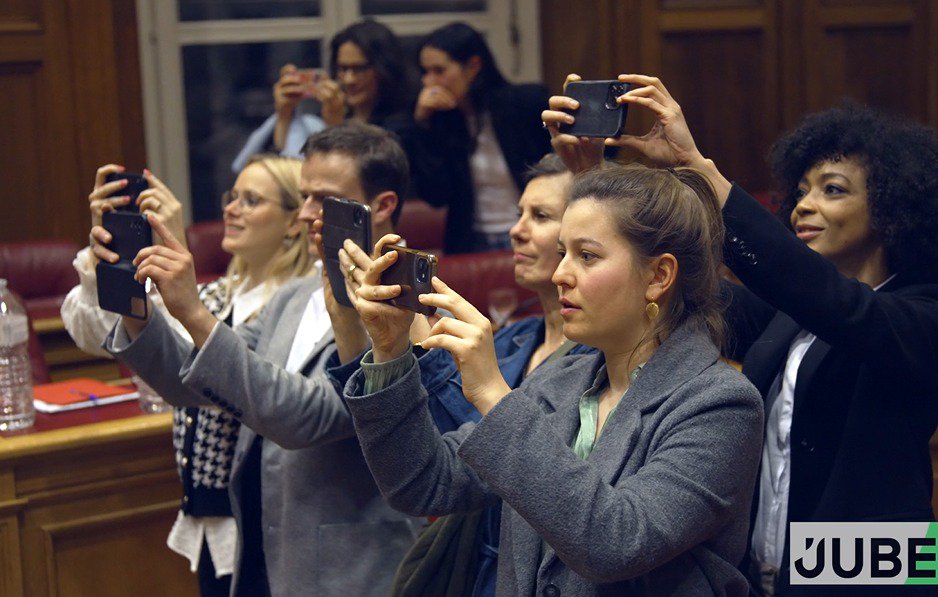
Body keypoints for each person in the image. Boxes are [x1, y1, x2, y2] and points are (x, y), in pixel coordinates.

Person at [550, 76, 938, 595]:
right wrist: (597, 182)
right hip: (769, 573)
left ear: (894, 209)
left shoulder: (936, 313)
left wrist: (699, 171)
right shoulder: (790, 313)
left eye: (832, 190)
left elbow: (836, 305)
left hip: (881, 574)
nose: (803, 205)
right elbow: (667, 287)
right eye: (800, 191)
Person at [339, 164, 764, 595]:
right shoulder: (562, 379)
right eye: (562, 252)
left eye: (587, 255)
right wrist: (391, 351)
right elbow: (424, 483)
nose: (560, 273)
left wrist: (492, 394)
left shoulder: (720, 404)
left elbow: (616, 543)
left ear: (658, 276)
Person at [100, 123, 420, 596]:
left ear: (384, 205)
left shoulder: (405, 306)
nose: (307, 213)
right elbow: (198, 380)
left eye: (324, 199)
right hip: (266, 551)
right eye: (305, 196)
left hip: (351, 570)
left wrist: (192, 310)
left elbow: (307, 416)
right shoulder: (294, 295)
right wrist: (134, 304)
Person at [331, 153, 596, 597]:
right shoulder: (515, 338)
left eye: (541, 216)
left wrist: (418, 340)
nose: (517, 229)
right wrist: (392, 338)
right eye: (518, 214)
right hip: (473, 567)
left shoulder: (599, 361)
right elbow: (428, 450)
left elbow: (484, 446)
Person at [61, 156, 312, 596]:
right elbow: (98, 333)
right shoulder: (217, 292)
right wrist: (106, 259)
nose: (232, 209)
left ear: (295, 222)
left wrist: (173, 255)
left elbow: (206, 375)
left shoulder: (294, 307)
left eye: (251, 201)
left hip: (260, 514)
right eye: (231, 197)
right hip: (208, 512)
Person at [410, 22, 551, 253]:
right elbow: (436, 196)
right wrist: (423, 124)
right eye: (425, 72)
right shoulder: (442, 120)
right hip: (471, 240)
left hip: (529, 231)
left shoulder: (525, 103)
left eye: (439, 71)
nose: (428, 82)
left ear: (473, 66)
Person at [233, 19, 415, 173]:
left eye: (360, 69)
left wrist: (335, 127)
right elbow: (279, 173)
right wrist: (284, 115)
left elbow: (352, 180)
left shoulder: (404, 124)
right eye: (343, 68)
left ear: (385, 68)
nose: (349, 79)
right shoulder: (324, 115)